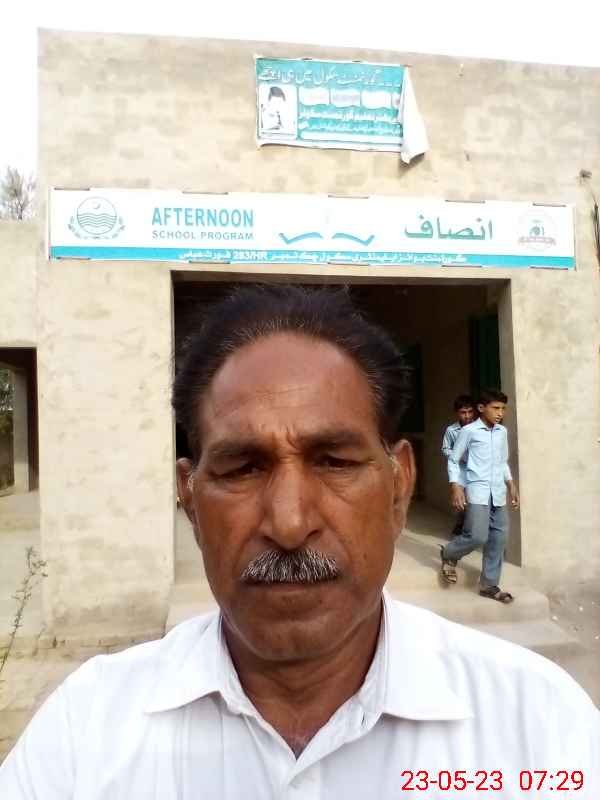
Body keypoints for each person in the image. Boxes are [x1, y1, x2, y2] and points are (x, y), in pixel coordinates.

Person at [0, 287, 597, 799]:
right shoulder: (85, 737)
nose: (289, 524)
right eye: (242, 468)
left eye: (334, 461)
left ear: (399, 487)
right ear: (190, 500)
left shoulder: (537, 728)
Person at [440, 388, 519, 600]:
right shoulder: (469, 431)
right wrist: (456, 487)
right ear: (482, 408)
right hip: (478, 491)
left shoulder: (502, 432)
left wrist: (511, 484)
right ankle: (449, 553)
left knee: (498, 539)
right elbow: (454, 459)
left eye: (503, 408)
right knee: (477, 536)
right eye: (496, 408)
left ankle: (489, 585)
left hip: (498, 492)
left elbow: (502, 462)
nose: (500, 413)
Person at [441, 394, 475, 542]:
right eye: (463, 412)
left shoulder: (479, 428)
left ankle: (470, 529)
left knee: (475, 500)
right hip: (460, 470)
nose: (467, 416)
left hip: (476, 470)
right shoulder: (451, 430)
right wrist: (457, 455)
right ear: (457, 413)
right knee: (460, 501)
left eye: (470, 412)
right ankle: (460, 524)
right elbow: (445, 448)